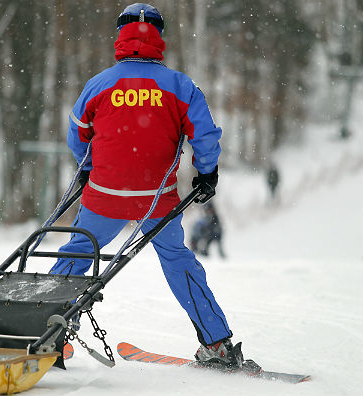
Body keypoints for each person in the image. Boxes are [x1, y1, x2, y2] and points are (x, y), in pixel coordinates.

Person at [49, 4, 244, 369]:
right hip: (158, 200)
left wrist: (91, 167)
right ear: (159, 37)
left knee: (78, 252)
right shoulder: (180, 85)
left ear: (120, 36)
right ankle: (217, 343)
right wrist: (206, 173)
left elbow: (78, 133)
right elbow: (205, 136)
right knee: (178, 260)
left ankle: (45, 330)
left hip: (104, 197)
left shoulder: (100, 83)